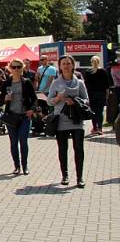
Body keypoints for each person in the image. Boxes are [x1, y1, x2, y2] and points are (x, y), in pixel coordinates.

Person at [48, 55, 89, 188]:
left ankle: (80, 177)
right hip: (61, 119)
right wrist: (58, 98)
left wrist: (76, 101)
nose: (66, 66)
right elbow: (49, 101)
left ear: (73, 65)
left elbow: (86, 100)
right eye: (63, 64)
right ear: (59, 66)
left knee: (79, 149)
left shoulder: (80, 83)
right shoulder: (56, 83)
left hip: (77, 119)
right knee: (63, 149)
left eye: (68, 63)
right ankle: (65, 175)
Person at [2, 58, 36, 175]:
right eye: (14, 67)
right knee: (13, 142)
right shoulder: (6, 83)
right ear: (10, 68)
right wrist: (5, 99)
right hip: (11, 116)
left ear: (22, 68)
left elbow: (34, 98)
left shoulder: (26, 82)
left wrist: (31, 109)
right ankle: (16, 166)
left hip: (24, 116)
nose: (16, 69)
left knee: (23, 141)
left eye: (18, 67)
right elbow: (0, 98)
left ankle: (25, 166)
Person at [83, 55, 111, 135]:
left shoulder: (88, 72)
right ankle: (100, 128)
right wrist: (107, 95)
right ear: (98, 62)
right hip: (101, 94)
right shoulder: (103, 71)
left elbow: (86, 84)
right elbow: (107, 85)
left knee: (93, 111)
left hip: (91, 94)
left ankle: (94, 128)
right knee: (100, 111)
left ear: (91, 62)